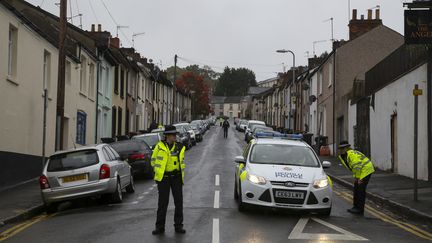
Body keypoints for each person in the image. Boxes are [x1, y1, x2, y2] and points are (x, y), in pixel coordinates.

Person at [151, 125, 187, 235]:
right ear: (167, 136)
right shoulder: (159, 146)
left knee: (178, 202)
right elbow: (153, 160)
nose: (175, 136)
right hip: (164, 178)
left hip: (176, 177)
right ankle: (160, 227)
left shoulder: (179, 147)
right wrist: (157, 172)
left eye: (175, 134)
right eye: (173, 134)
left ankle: (178, 226)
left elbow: (182, 162)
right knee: (162, 203)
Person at [338, 141, 375, 215]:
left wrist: (359, 178)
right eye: (340, 148)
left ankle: (360, 209)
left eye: (343, 148)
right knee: (356, 188)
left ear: (347, 148)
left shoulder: (351, 154)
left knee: (360, 190)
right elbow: (354, 167)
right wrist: (357, 178)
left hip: (366, 170)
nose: (342, 150)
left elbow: (357, 166)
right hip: (362, 170)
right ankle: (355, 207)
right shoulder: (344, 156)